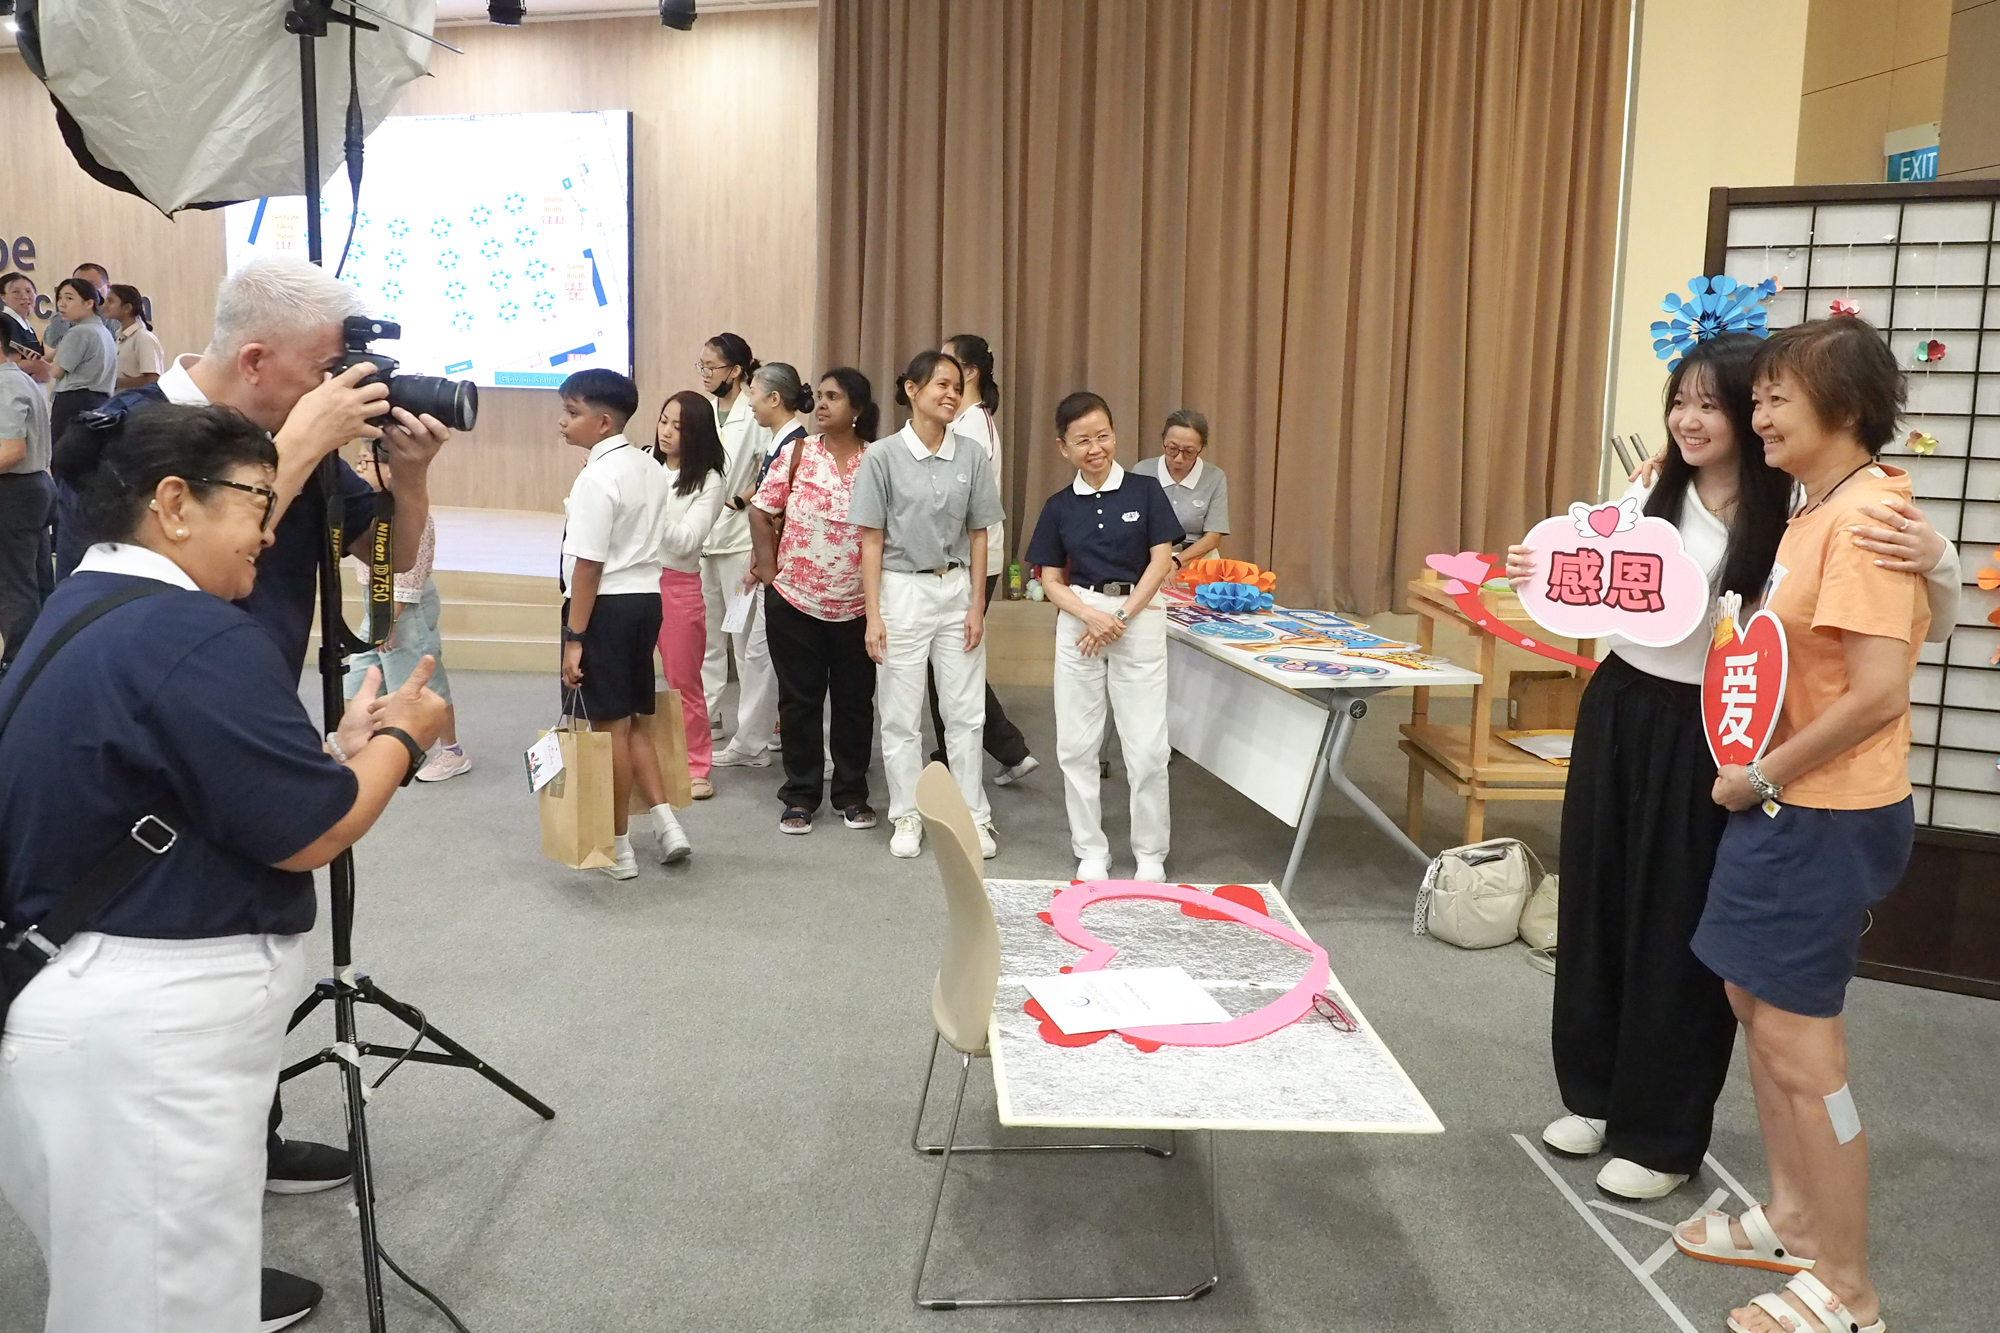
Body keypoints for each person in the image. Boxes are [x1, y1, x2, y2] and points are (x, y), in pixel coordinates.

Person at [43, 256, 449, 1326]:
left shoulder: (305, 443)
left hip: (244, 709)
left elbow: (385, 570)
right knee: (184, 933)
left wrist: (403, 480)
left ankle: (243, 1144)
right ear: (259, 358)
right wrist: (302, 442)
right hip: (151, 743)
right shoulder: (128, 431)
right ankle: (186, 1249)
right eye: (328, 368)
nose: (349, 383)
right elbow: (115, 561)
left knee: (239, 931)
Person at [1511, 333, 1959, 1205]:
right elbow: (1586, 573)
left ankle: (1662, 1130)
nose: (1692, 419)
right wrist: (1540, 572)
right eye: (1682, 401)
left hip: (1720, 728)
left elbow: (1914, 629)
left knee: (1679, 923)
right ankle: (1594, 1094)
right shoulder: (1645, 489)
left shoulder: (1805, 500)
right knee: (1598, 899)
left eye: (1718, 404)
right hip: (1622, 706)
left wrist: (1939, 557)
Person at [1670, 319, 1930, 1333]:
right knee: (1753, 1008)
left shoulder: (1869, 516)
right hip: (1781, 801)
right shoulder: (1814, 508)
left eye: (1778, 397)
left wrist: (1759, 774)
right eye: (1760, 394)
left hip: (1818, 810)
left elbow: (1874, 693)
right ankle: (1790, 1215)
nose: (1757, 412)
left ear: (1847, 411)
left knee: (1801, 1048)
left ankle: (1848, 1289)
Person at [850, 349, 1004, 860]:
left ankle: (973, 816)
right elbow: (870, 541)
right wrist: (873, 615)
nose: (951, 394)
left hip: (956, 590)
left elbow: (980, 535)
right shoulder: (882, 456)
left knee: (965, 712)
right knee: (899, 713)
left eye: (957, 386)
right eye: (940, 384)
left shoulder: (971, 456)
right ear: (911, 390)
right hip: (901, 592)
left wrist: (978, 604)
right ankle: (907, 814)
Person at [1024, 392, 1182, 881]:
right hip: (1080, 620)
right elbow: (1049, 579)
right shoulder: (1057, 507)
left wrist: (1122, 616)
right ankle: (1091, 848)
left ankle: (1151, 853)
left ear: (1114, 435)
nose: (1096, 448)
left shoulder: (1145, 491)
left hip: (1138, 614)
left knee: (1147, 747)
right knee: (1076, 744)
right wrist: (1092, 617)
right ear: (1063, 447)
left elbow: (1161, 560)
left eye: (1103, 436)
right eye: (1082, 441)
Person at [557, 370, 690, 877]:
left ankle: (618, 845)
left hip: (606, 607)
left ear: (603, 421)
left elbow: (587, 565)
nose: (563, 423)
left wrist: (575, 637)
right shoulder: (649, 466)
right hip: (645, 601)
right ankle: (665, 821)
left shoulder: (597, 476)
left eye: (572, 413)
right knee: (630, 720)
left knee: (608, 728)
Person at [749, 367, 879, 834]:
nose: (822, 405)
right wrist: (768, 572)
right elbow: (761, 511)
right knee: (799, 701)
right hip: (794, 599)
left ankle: (851, 792)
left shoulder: (877, 460)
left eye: (835, 397)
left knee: (853, 702)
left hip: (857, 604)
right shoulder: (798, 452)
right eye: (819, 396)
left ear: (858, 410)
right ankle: (800, 795)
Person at [924, 332, 1038, 787]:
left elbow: (958, 503)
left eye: (948, 363)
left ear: (969, 372)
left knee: (949, 663)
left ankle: (959, 757)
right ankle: (1005, 749)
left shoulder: (969, 426)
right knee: (952, 661)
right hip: (970, 557)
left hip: (969, 560)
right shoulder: (973, 419)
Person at [345, 447, 470, 781]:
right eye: (357, 462)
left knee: (420, 680)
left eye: (365, 463)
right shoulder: (367, 507)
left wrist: (390, 619)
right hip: (379, 605)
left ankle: (452, 752)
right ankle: (359, 742)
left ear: (390, 472)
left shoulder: (408, 509)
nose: (357, 469)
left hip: (403, 607)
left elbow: (409, 572)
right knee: (358, 674)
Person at [713, 361, 812, 771]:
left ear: (774, 398)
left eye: (754, 392)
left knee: (770, 656)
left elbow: (784, 513)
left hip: (787, 571)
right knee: (759, 654)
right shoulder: (780, 443)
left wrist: (765, 561)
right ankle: (754, 739)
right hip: (773, 564)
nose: (749, 400)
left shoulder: (797, 446)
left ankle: (765, 741)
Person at [651, 388, 730, 802]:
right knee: (628, 679)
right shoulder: (646, 464)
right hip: (633, 581)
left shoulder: (710, 481)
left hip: (677, 585)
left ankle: (697, 765)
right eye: (663, 420)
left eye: (677, 426)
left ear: (696, 433)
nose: (666, 432)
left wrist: (647, 506)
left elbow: (684, 542)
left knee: (683, 683)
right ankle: (644, 760)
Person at [696, 332, 773, 740]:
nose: (705, 374)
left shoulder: (755, 414)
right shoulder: (703, 411)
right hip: (703, 539)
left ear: (737, 371)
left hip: (741, 540)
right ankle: (708, 713)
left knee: (743, 641)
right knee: (707, 639)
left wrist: (741, 500)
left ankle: (753, 727)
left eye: (712, 367)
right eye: (702, 366)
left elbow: (771, 472)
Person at [0, 319, 54, 670]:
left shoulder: (5, 384)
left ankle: (19, 664)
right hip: (34, 488)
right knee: (36, 580)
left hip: (14, 491)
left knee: (13, 582)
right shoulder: (21, 378)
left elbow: (11, 451)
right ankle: (46, 651)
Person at [1132, 407, 1230, 566]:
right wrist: (1159, 562)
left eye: (1189, 452)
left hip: (1199, 560)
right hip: (1151, 558)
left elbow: (1213, 537)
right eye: (1172, 449)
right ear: (1163, 441)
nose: (1178, 458)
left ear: (1201, 449)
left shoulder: (1214, 477)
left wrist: (1176, 562)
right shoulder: (1142, 471)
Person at [46, 277, 116, 443]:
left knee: (65, 459)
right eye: (60, 298)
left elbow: (56, 372)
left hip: (74, 403)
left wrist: (36, 365)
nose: (62, 304)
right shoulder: (104, 331)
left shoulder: (79, 332)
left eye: (69, 298)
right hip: (101, 402)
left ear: (89, 303)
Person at [38, 262, 113, 351]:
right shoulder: (62, 318)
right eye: (78, 286)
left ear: (108, 287)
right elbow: (51, 351)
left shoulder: (118, 316)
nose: (84, 291)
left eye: (91, 285)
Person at [106, 283, 166, 392]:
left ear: (127, 308)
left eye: (110, 301)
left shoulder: (143, 338)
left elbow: (153, 379)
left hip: (138, 404)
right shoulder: (119, 337)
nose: (105, 305)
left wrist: (115, 382)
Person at [1, 272, 45, 359]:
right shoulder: (4, 323)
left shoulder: (27, 327)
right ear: (3, 297)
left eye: (28, 291)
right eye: (16, 292)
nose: (24, 296)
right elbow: (12, 363)